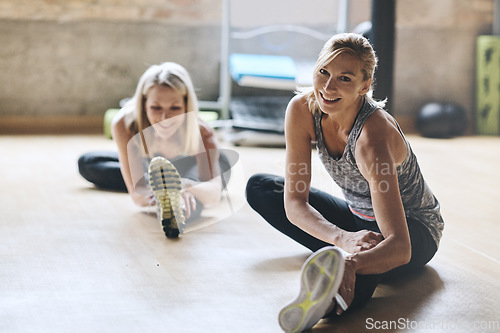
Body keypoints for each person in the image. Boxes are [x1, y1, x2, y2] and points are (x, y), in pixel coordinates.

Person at [246, 33, 444, 332]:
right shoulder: (302, 110)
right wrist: (342, 238)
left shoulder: (372, 138)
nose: (328, 87)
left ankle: (331, 289)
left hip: (412, 231)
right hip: (358, 222)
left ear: (364, 86)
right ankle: (341, 261)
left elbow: (400, 247)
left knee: (358, 268)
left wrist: (351, 262)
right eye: (323, 72)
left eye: (345, 78)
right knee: (260, 187)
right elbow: (294, 203)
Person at [79, 62, 232, 238]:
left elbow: (212, 196)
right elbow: (137, 197)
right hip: (153, 170)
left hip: (192, 175)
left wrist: (184, 186)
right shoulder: (125, 124)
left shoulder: (203, 133)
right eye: (156, 108)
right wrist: (162, 191)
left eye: (175, 108)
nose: (164, 118)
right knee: (88, 163)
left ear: (186, 106)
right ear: (144, 104)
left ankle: (172, 203)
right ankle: (166, 193)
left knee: (190, 201)